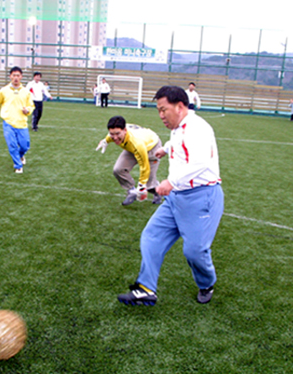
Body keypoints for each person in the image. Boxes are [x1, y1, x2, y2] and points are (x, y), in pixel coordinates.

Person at [117, 85, 224, 306]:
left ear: (180, 106)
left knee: (194, 251)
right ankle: (146, 288)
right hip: (177, 198)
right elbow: (178, 140)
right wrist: (165, 148)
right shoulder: (180, 126)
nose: (161, 115)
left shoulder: (198, 128)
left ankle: (206, 283)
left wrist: (171, 182)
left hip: (201, 197)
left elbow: (201, 161)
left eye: (163, 110)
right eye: (159, 110)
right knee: (151, 236)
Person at [95, 116, 163, 206]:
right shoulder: (116, 132)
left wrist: (142, 185)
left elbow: (144, 166)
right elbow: (110, 135)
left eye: (117, 134)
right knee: (118, 169)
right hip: (131, 146)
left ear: (125, 130)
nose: (114, 138)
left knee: (148, 184)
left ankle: (158, 192)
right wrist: (106, 141)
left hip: (152, 147)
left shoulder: (137, 143)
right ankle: (132, 191)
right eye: (112, 134)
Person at [0, 66, 34, 173]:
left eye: (18, 75)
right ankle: (18, 165)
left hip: (21, 123)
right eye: (14, 75)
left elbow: (31, 105)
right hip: (8, 123)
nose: (16, 78)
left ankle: (21, 156)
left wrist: (28, 110)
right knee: (12, 145)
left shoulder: (26, 92)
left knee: (25, 145)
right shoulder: (4, 90)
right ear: (10, 76)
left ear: (21, 77)